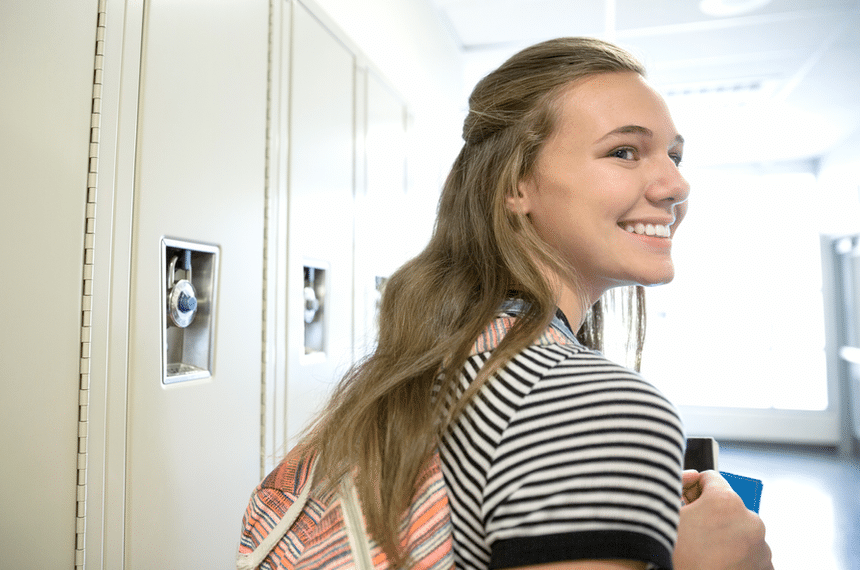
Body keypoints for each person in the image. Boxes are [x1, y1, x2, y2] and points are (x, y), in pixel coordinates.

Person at [302, 37, 772, 569]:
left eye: (675, 155)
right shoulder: (595, 407)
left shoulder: (441, 366)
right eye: (624, 152)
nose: (675, 184)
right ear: (517, 184)